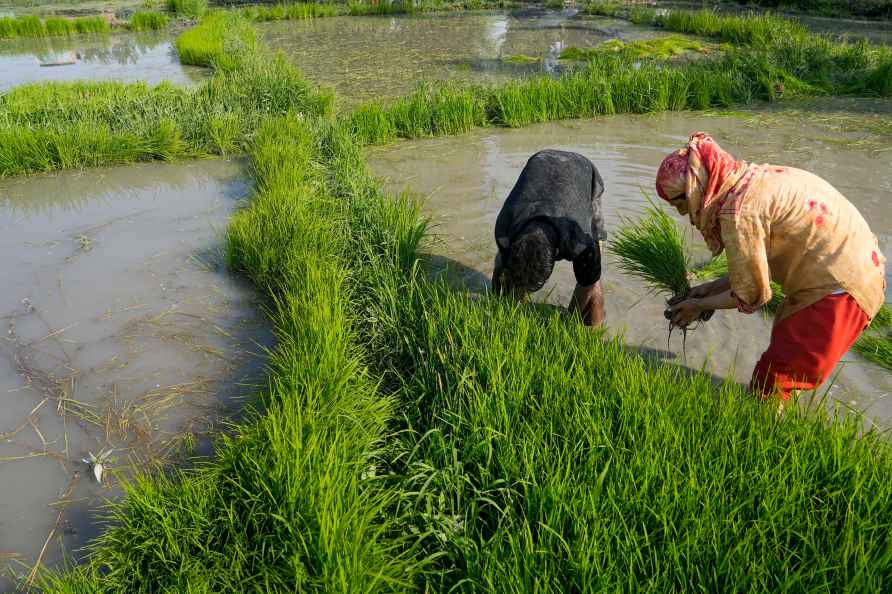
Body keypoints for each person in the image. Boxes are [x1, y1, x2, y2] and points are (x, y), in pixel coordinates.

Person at [658, 132, 886, 400]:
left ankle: (766, 434)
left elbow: (753, 294)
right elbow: (756, 269)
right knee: (783, 365)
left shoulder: (738, 212)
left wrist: (699, 306)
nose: (683, 213)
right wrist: (708, 289)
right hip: (860, 269)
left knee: (774, 380)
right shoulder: (752, 179)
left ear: (697, 187)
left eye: (680, 202)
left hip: (839, 291)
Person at [492, 149, 606, 326]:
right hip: (542, 161)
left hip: (582, 170)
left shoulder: (581, 241)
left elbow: (589, 287)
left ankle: (591, 334)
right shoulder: (505, 229)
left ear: (555, 257)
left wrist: (568, 326)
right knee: (511, 284)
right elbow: (501, 268)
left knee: (593, 281)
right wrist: (499, 308)